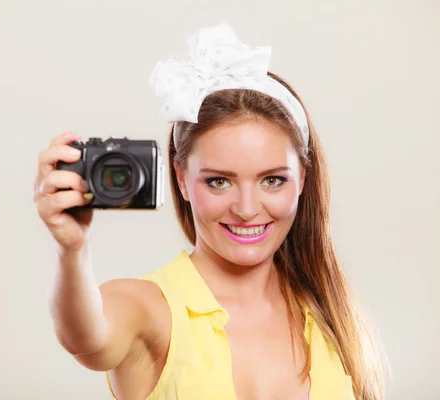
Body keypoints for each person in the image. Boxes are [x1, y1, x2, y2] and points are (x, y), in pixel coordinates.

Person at [34, 23, 385, 400]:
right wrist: (71, 251)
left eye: (272, 181)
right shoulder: (151, 309)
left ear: (302, 177)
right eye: (219, 181)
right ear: (182, 178)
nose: (247, 210)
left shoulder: (331, 314)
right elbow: (86, 338)